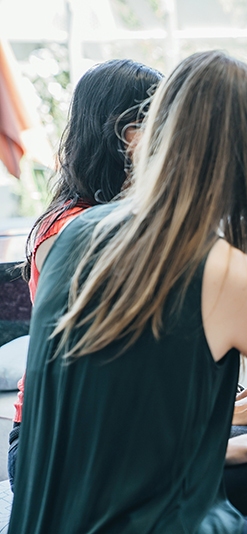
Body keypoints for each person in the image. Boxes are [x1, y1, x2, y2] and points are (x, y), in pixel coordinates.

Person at [9, 50, 247, 534]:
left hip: (56, 508)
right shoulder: (231, 272)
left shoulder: (79, 234)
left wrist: (206, 448)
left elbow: (110, 401)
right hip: (139, 511)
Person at [10, 58, 164, 490]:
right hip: (59, 448)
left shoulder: (122, 220)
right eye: (167, 124)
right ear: (130, 138)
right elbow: (104, 382)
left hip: (119, 434)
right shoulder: (76, 232)